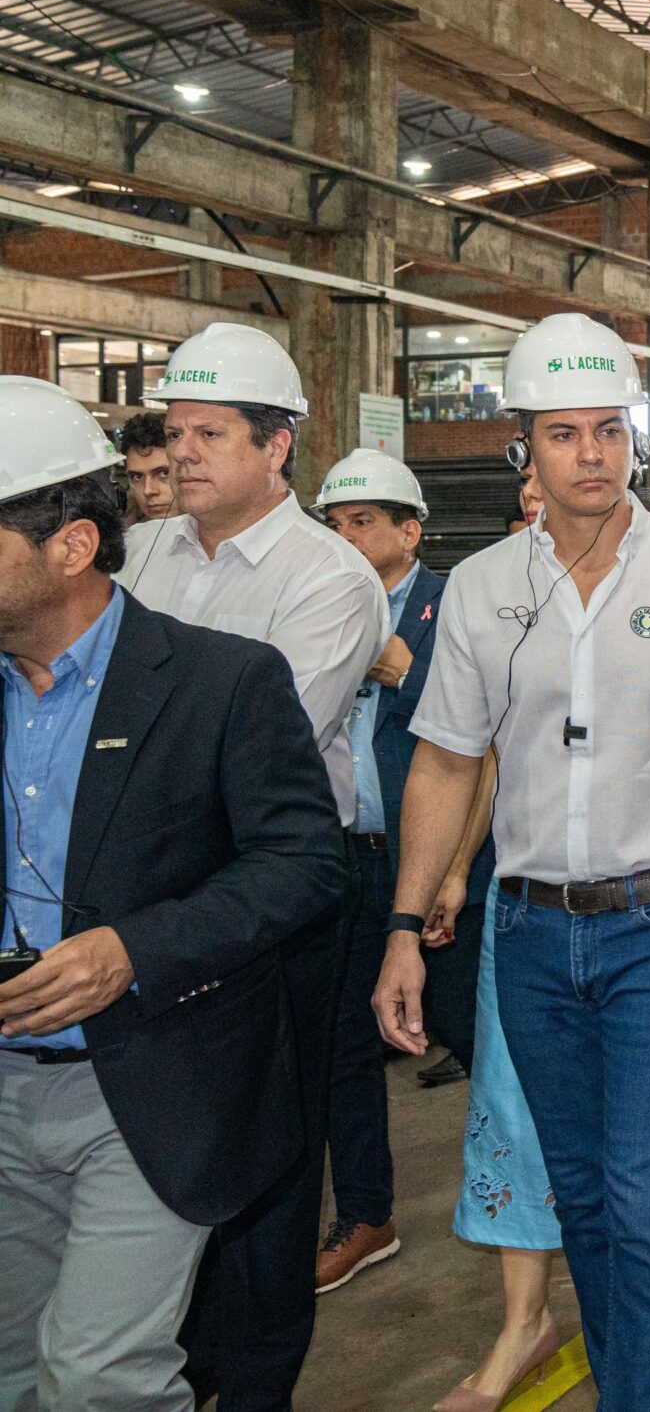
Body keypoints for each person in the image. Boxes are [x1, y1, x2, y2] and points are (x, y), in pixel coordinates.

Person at [373, 312, 650, 1412]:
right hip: (531, 933)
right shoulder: (480, 591)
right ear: (526, 450)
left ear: (635, 439)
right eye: (563, 435)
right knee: (588, 1202)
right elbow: (445, 768)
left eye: (609, 430)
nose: (591, 455)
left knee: (648, 1209)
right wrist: (404, 929)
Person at [0, 376, 347, 1412]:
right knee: (14, 1367)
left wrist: (131, 951)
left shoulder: (220, 684)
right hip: (7, 1094)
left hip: (150, 1082)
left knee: (100, 1376)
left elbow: (304, 865)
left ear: (69, 547)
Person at [123, 321, 388, 1412]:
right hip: (139, 904)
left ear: (276, 448)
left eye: (208, 433)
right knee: (152, 1146)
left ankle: (255, 1383)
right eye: (175, 433)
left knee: (267, 1166)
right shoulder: (139, 557)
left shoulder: (329, 581)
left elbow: (249, 760)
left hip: (269, 913)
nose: (182, 453)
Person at [309, 448, 454, 1292]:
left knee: (474, 1030)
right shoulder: (315, 604)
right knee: (344, 1047)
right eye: (333, 522)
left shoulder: (452, 603)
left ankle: (541, 1195)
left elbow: (487, 720)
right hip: (342, 858)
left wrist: (401, 671)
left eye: (362, 521)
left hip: (436, 863)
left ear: (410, 529)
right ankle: (368, 1212)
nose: (345, 536)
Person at [114, 410, 177, 525]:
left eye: (164, 473)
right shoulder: (124, 539)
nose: (148, 490)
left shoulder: (218, 538)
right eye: (137, 477)